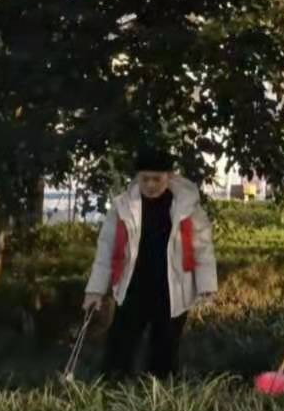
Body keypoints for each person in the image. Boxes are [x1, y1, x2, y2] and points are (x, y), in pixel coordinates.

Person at [84, 148, 217, 379]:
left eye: (157, 179)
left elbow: (203, 248)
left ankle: (159, 393)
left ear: (169, 176)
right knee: (119, 349)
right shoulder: (123, 206)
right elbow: (106, 249)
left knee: (164, 351)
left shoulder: (187, 206)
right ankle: (112, 388)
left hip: (173, 288)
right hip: (133, 285)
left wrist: (207, 286)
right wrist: (95, 290)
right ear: (137, 177)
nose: (151, 185)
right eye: (145, 179)